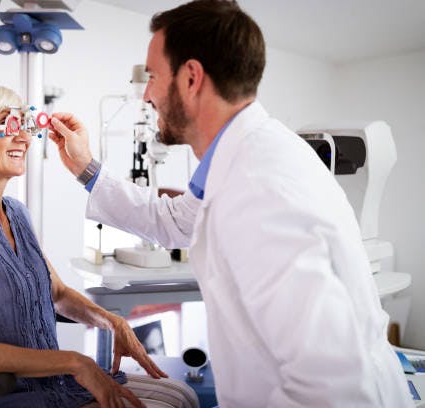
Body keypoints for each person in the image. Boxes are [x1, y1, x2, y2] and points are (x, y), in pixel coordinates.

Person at [48, 0, 413, 406]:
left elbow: (328, 387)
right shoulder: (240, 158)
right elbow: (176, 221)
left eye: (152, 76)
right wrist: (86, 169)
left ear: (191, 78)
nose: (147, 94)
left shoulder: (258, 186)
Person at [0, 82, 199, 408]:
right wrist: (74, 362)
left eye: (26, 126)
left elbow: (57, 293)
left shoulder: (16, 214)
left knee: (182, 395)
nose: (24, 138)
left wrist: (112, 321)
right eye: (10, 125)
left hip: (47, 386)